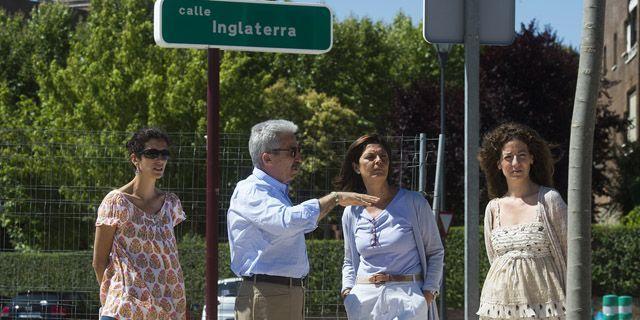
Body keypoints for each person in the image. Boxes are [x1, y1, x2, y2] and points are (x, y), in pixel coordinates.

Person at [227, 119, 378, 320]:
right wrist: (335, 198)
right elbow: (287, 222)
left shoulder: (276, 192)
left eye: (299, 150)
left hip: (279, 294)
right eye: (291, 151)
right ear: (267, 158)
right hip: (267, 295)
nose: (299, 157)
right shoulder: (251, 190)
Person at [337, 134, 444, 320]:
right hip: (363, 302)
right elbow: (349, 261)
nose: (378, 161)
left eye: (383, 157)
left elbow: (435, 252)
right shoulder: (351, 211)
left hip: (408, 299)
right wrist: (347, 293)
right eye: (370, 157)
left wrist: (428, 294)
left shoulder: (414, 203)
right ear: (356, 167)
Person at [92, 128, 187, 320]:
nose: (160, 160)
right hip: (124, 308)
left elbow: (167, 256)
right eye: (152, 153)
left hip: (166, 308)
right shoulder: (115, 202)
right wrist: (115, 295)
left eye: (164, 154)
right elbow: (99, 262)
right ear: (135, 159)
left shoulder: (171, 203)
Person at [476, 122, 567, 319]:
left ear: (532, 159)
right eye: (508, 157)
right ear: (499, 164)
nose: (516, 163)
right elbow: (494, 260)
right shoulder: (493, 208)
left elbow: (571, 255)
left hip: (546, 306)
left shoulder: (550, 200)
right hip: (499, 306)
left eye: (522, 155)